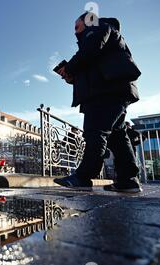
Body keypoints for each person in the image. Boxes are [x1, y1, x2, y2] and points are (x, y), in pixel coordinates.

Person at [54, 12, 142, 193]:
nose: (75, 32)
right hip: (111, 90)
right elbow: (92, 60)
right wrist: (71, 76)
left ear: (87, 22)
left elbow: (91, 50)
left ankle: (84, 176)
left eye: (77, 27)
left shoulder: (97, 27)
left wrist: (70, 67)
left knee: (95, 132)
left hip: (107, 91)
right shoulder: (98, 37)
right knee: (117, 137)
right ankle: (129, 180)